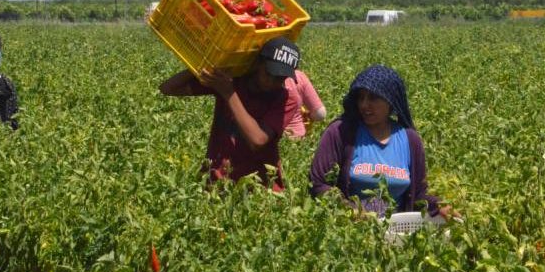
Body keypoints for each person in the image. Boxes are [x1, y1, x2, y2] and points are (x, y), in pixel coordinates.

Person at [309, 65, 455, 219]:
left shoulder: (410, 139)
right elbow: (318, 183)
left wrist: (440, 206)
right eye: (361, 97)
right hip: (348, 233)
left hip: (397, 229)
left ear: (390, 100)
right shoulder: (341, 132)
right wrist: (351, 210)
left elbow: (419, 194)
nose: (364, 104)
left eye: (373, 97)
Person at [159, 36, 301, 190]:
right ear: (258, 64)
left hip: (259, 189)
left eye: (280, 78)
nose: (272, 82)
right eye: (268, 73)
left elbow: (257, 140)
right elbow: (168, 88)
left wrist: (228, 92)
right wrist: (205, 64)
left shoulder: (287, 98)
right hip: (217, 181)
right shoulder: (234, 79)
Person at [283, 69, 327, 139]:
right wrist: (308, 115)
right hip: (297, 138)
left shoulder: (263, 76)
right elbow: (320, 114)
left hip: (270, 138)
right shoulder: (297, 75)